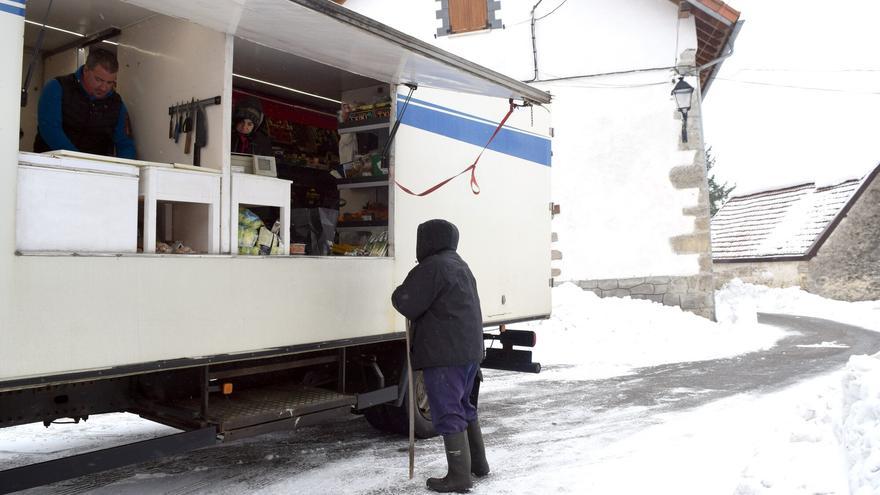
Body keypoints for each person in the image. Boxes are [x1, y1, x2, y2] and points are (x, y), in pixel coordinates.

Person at [391, 219, 490, 493]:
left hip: (444, 354)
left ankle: (459, 477)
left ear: (428, 241)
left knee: (448, 411)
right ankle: (478, 465)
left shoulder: (432, 267)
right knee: (464, 406)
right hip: (468, 352)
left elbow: (406, 302)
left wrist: (398, 294)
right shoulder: (460, 265)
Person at [33, 48, 136, 159]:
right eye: (99, 80)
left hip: (94, 170)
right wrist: (79, 160)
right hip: (51, 164)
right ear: (86, 70)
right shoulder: (57, 88)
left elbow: (125, 143)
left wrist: (122, 170)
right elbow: (50, 130)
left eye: (110, 82)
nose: (104, 87)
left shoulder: (117, 104)